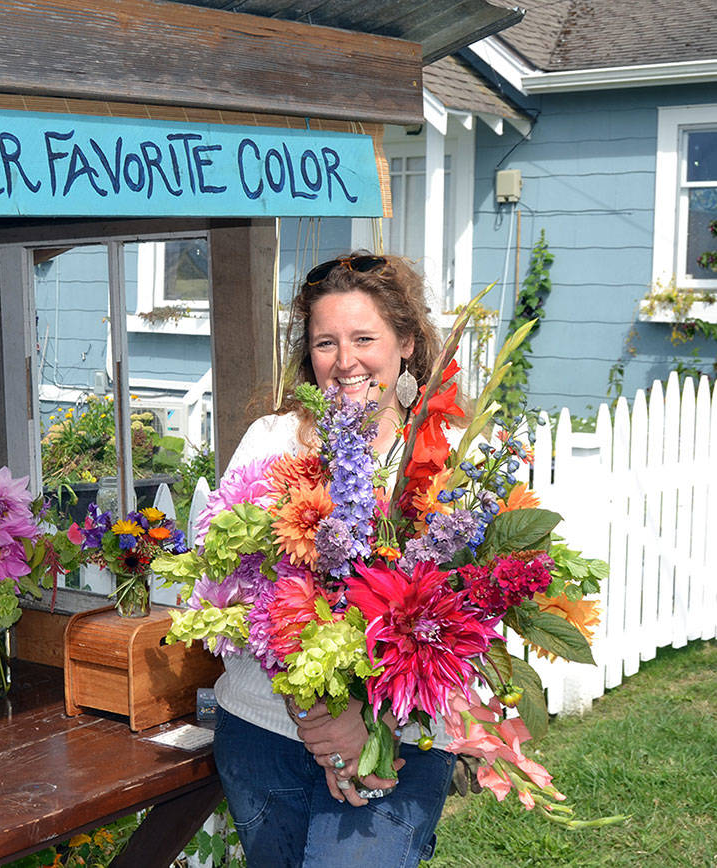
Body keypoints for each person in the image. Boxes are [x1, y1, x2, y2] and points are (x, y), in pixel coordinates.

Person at [213, 253, 457, 866]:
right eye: (326, 342)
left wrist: (360, 717)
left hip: (400, 738)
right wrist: (322, 713)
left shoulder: (449, 455)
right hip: (266, 728)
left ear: (405, 342)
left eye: (363, 338)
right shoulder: (273, 442)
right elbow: (222, 585)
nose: (345, 361)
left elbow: (468, 619)